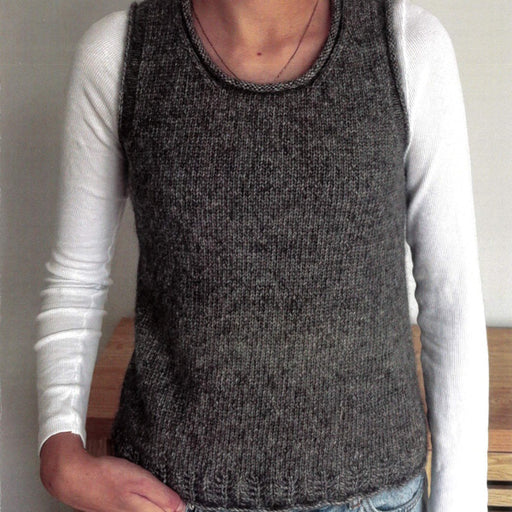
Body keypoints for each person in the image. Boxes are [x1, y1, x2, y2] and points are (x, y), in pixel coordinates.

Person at [34, 0, 489, 511]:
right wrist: (58, 451)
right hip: (171, 494)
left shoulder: (406, 46)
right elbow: (77, 277)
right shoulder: (118, 54)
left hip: (374, 495)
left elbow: (450, 297)